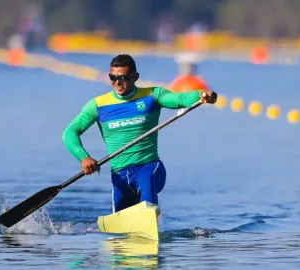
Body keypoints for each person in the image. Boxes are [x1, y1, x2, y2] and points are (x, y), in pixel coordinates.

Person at [62, 54, 217, 213]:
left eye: (122, 78)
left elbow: (179, 98)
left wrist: (200, 95)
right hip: (120, 176)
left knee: (147, 180)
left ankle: (150, 216)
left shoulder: (152, 95)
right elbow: (70, 133)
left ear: (135, 77)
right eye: (113, 78)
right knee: (119, 223)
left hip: (149, 168)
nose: (117, 83)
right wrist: (84, 157)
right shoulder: (97, 105)